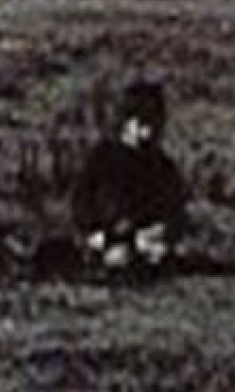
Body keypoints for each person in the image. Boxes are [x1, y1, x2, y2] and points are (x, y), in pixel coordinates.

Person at [70, 79, 190, 275]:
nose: (149, 132)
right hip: (107, 238)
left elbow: (175, 211)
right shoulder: (102, 159)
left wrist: (161, 231)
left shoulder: (162, 166)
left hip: (146, 241)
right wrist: (95, 234)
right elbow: (82, 204)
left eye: (155, 124)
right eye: (143, 123)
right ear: (127, 122)